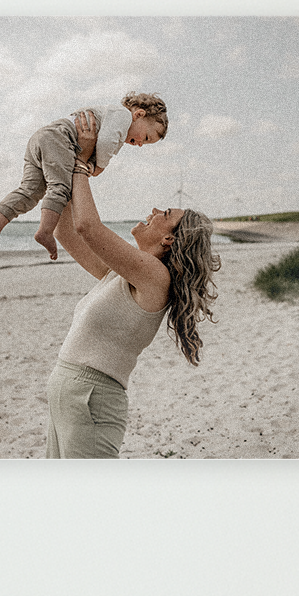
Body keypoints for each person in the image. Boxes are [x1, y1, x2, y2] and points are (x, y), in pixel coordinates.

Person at [42, 112, 220, 459]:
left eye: (165, 213)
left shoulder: (155, 277)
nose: (154, 209)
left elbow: (88, 228)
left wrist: (81, 162)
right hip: (69, 393)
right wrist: (63, 164)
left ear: (169, 240)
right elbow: (66, 230)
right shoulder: (122, 275)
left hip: (91, 399)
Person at [0, 93, 169, 260]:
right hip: (60, 138)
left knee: (31, 190)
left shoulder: (110, 117)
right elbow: (105, 142)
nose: (140, 145)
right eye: (146, 137)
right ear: (139, 114)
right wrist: (99, 167)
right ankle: (45, 231)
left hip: (42, 138)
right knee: (60, 188)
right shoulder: (122, 116)